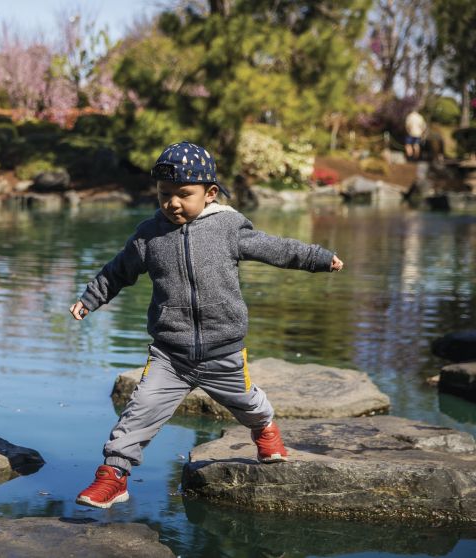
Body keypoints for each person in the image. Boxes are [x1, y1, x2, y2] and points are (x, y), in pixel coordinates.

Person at [71, 141, 344, 509]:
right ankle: (113, 476)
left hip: (222, 352)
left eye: (184, 194)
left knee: (246, 403)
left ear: (209, 193)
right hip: (170, 354)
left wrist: (319, 258)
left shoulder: (227, 228)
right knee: (139, 411)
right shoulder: (149, 235)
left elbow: (275, 249)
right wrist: (90, 299)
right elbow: (118, 271)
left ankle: (265, 429)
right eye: (165, 194)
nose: (173, 203)